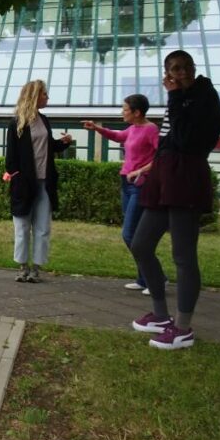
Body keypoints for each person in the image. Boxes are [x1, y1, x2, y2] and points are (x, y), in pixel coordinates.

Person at [130, 50, 220, 350]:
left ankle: (182, 327)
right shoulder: (181, 98)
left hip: (185, 176)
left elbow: (186, 139)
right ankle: (160, 315)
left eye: (184, 68)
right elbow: (168, 140)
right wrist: (150, 168)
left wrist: (173, 97)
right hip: (164, 176)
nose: (179, 73)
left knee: (183, 255)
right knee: (141, 244)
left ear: (193, 69)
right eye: (173, 69)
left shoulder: (203, 97)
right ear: (166, 72)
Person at [82, 95, 160, 292]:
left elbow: (162, 159)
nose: (122, 112)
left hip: (140, 185)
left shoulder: (151, 130)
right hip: (127, 184)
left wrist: (140, 170)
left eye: (125, 109)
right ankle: (145, 279)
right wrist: (97, 128)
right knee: (134, 234)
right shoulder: (133, 128)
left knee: (130, 234)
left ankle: (156, 278)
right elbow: (118, 136)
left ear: (137, 112)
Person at [5, 80, 72, 283]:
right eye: (45, 94)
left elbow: (48, 147)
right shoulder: (16, 122)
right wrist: (16, 177)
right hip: (25, 185)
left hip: (45, 184)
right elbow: (11, 159)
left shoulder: (44, 120)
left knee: (42, 228)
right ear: (35, 96)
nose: (47, 98)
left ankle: (36, 268)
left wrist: (64, 143)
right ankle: (22, 266)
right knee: (22, 227)